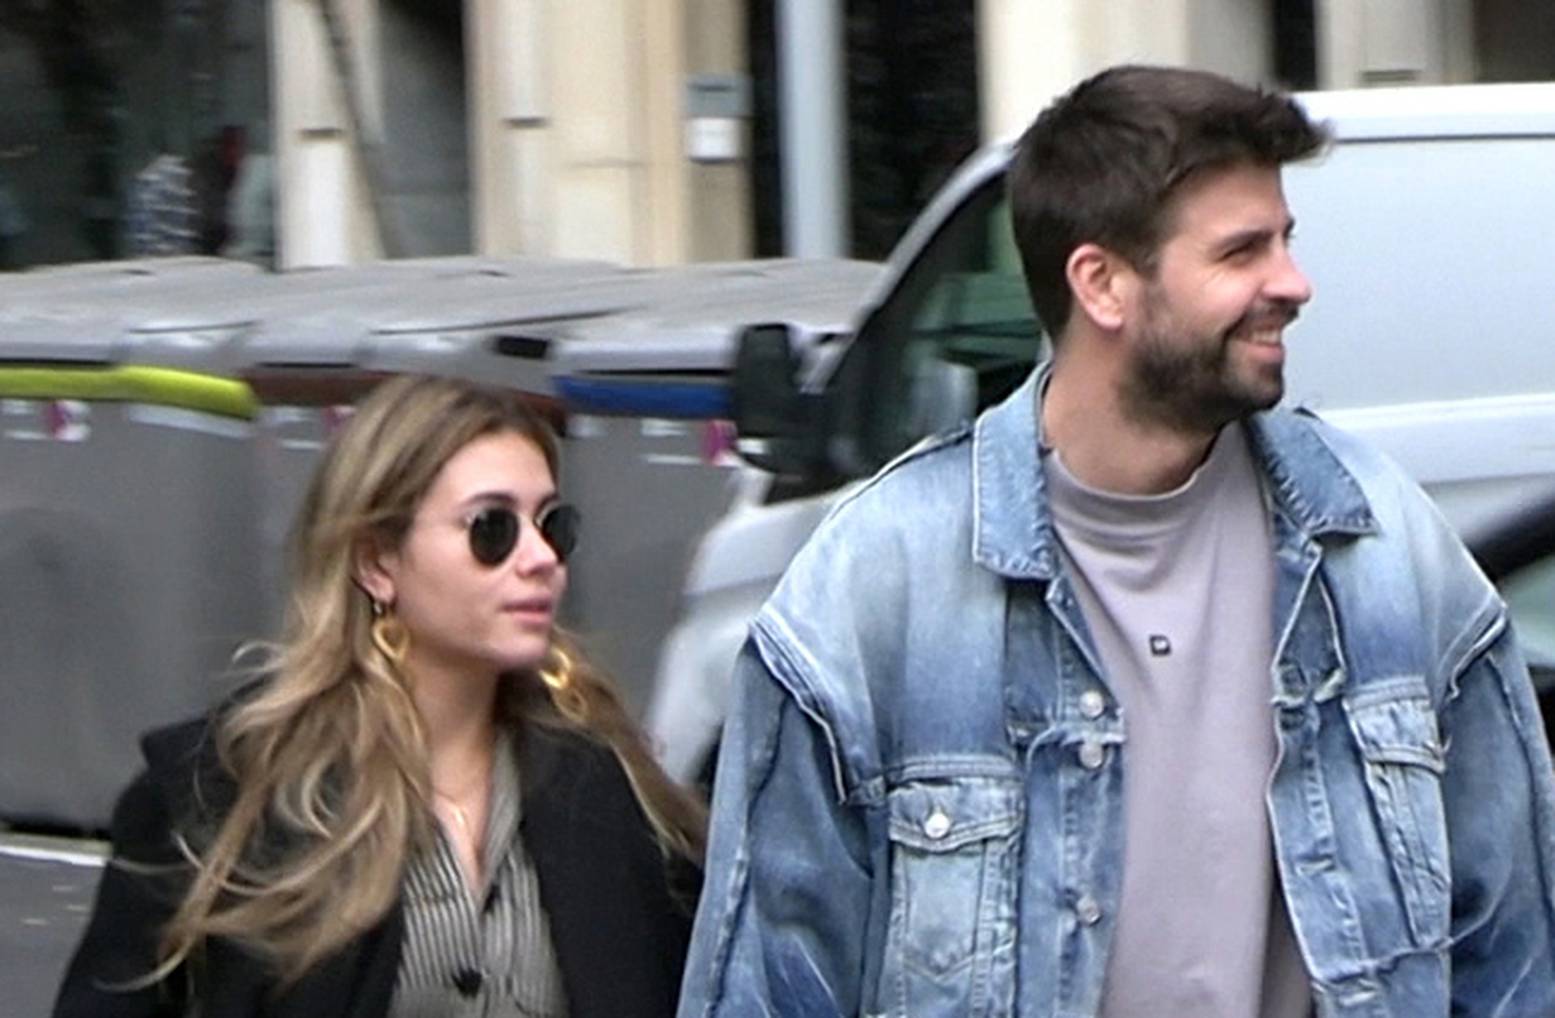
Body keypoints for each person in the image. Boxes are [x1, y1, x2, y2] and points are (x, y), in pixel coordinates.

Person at [677, 65, 1555, 1018]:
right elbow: (764, 987)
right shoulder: (873, 588)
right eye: (1240, 252)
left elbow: (1511, 960)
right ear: (1101, 284)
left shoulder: (1383, 551)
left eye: (1285, 241)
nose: (1292, 284)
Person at [56, 375, 705, 1018]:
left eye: (552, 525)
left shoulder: (608, 790)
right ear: (376, 562)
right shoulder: (224, 797)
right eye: (492, 528)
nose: (540, 558)